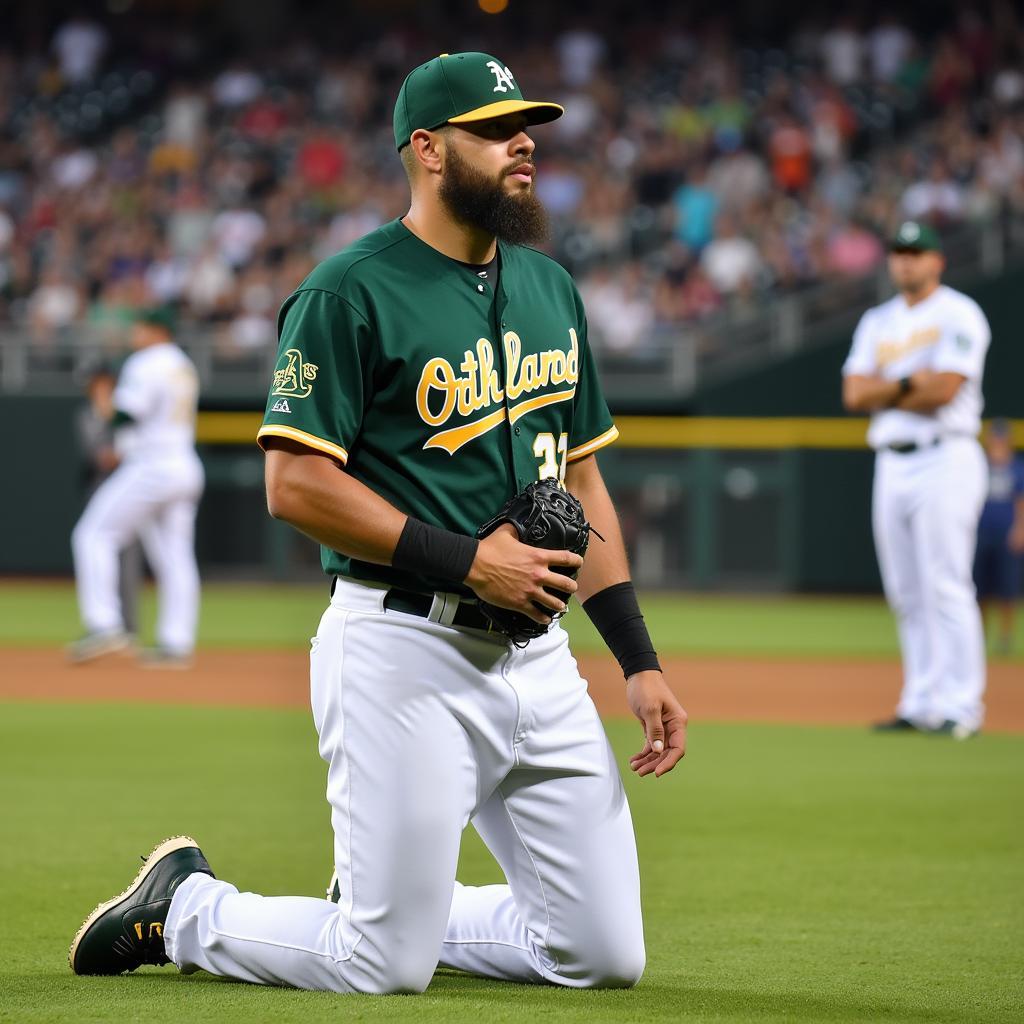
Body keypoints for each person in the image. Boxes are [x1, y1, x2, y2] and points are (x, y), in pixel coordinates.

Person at [69, 51, 687, 994]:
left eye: (527, 125)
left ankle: (389, 901)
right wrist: (471, 563)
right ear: (429, 151)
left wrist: (638, 661)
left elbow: (586, 483)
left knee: (603, 955)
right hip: (405, 648)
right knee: (377, 965)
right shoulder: (347, 290)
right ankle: (185, 908)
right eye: (494, 129)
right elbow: (296, 485)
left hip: (542, 659)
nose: (525, 143)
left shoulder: (552, 290)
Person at [842, 221, 991, 739]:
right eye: (900, 252)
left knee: (946, 584)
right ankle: (921, 701)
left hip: (945, 456)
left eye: (917, 252)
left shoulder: (958, 312)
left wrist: (891, 389)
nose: (906, 260)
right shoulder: (877, 320)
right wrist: (909, 381)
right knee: (906, 590)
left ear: (937, 261)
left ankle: (961, 705)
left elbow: (945, 390)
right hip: (892, 460)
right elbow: (854, 395)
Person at [68, 307, 203, 667]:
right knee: (176, 558)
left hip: (152, 466)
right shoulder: (183, 364)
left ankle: (104, 624)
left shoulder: (146, 361)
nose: (134, 335)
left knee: (93, 534)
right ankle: (177, 642)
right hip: (184, 464)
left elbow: (127, 413)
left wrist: (102, 399)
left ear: (156, 330)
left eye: (139, 328)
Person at [74, 363, 143, 637]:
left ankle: (128, 629)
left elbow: (133, 448)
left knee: (128, 561)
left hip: (135, 488)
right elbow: (100, 456)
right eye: (96, 383)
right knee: (94, 548)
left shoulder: (127, 410)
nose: (101, 388)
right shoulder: (87, 414)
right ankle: (103, 625)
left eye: (105, 383)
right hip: (101, 489)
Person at [974, 418, 1024, 654]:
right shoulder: (978, 466)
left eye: (1002, 437)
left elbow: (1021, 502)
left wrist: (1020, 529)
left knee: (1007, 590)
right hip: (981, 533)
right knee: (980, 590)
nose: (998, 441)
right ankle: (978, 637)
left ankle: (1005, 637)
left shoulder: (1017, 468)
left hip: (1006, 534)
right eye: (995, 436)